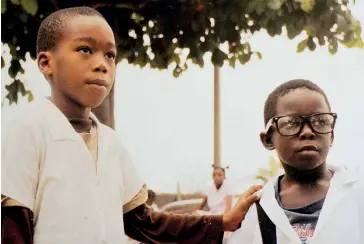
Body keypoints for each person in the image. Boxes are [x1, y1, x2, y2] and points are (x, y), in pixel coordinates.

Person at [1, 7, 262, 244]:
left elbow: (144, 223)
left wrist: (221, 222)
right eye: (85, 50)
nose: (102, 65)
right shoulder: (26, 131)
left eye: (110, 55)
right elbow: (12, 229)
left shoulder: (110, 142)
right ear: (46, 63)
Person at [227, 79, 364, 244]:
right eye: (292, 123)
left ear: (331, 136)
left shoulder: (358, 193)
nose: (308, 132)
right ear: (268, 140)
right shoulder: (256, 209)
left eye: (320, 121)